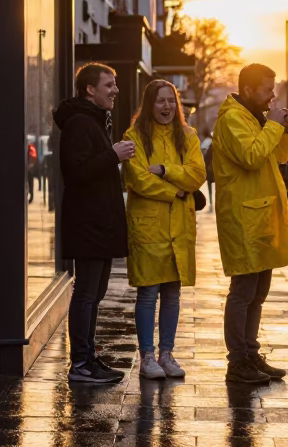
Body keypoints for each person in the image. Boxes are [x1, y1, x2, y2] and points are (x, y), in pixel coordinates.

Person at [213, 63, 288, 384]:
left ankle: (251, 353)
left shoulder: (254, 118)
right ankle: (237, 361)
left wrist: (285, 130)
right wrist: (274, 126)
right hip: (242, 219)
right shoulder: (232, 120)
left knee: (259, 291)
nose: (272, 95)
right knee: (243, 291)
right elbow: (251, 156)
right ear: (248, 90)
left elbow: (277, 157)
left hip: (261, 216)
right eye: (267, 90)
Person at [55, 62, 137, 383]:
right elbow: (76, 172)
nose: (115, 90)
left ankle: (89, 357)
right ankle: (80, 365)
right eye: (109, 85)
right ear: (90, 89)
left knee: (95, 293)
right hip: (88, 224)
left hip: (98, 224)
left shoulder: (93, 121)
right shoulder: (79, 123)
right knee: (87, 293)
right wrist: (113, 155)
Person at [123, 80, 206, 380]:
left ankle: (166, 354)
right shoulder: (134, 137)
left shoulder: (188, 135)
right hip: (148, 227)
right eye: (160, 101)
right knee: (148, 293)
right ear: (149, 104)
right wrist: (176, 191)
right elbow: (138, 180)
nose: (167, 107)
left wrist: (165, 170)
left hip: (179, 227)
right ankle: (147, 356)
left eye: (171, 101)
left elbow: (197, 174)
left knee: (172, 293)